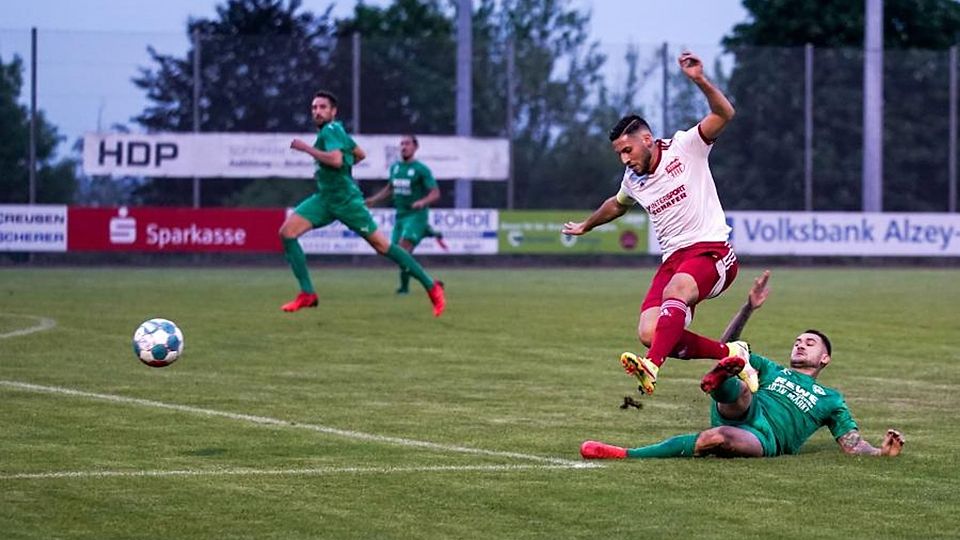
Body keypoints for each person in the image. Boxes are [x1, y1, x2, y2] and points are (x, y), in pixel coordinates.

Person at [562, 51, 750, 397]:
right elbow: (616, 205)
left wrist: (698, 80)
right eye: (619, 153)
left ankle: (652, 364)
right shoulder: (633, 179)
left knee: (674, 295)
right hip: (674, 261)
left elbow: (725, 113)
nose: (625, 159)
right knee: (651, 331)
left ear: (646, 140)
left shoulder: (686, 146)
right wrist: (587, 225)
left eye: (627, 150)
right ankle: (732, 354)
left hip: (712, 252)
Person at [580, 271, 906, 459]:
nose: (800, 344)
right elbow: (726, 343)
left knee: (716, 437)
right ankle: (723, 377)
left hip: (768, 438)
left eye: (810, 343)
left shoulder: (831, 398)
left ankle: (722, 380)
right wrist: (748, 308)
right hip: (745, 407)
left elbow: (852, 444)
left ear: (825, 359)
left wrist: (881, 452)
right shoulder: (773, 369)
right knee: (742, 383)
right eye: (798, 340)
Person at [280, 90, 446, 317]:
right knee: (287, 233)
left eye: (322, 107)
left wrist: (307, 148)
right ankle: (307, 293)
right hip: (325, 198)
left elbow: (337, 160)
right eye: (314, 108)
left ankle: (431, 286)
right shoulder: (336, 132)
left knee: (384, 247)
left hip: (347, 202)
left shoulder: (330, 129)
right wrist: (341, 165)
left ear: (333, 112)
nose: (317, 111)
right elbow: (359, 154)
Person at [365, 135, 447, 295]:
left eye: (407, 144)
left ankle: (418, 285)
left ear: (415, 147)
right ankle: (428, 232)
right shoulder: (395, 168)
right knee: (395, 254)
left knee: (402, 251)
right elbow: (390, 188)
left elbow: (435, 193)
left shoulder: (421, 169)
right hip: (401, 217)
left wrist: (422, 202)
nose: (404, 147)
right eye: (401, 144)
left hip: (416, 216)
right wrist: (373, 200)